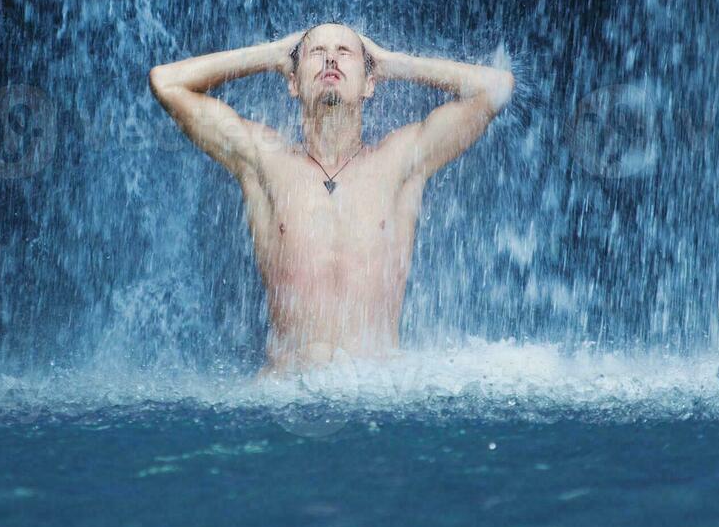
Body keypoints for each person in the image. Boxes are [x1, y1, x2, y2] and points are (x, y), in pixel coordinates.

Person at [149, 23, 513, 375]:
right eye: (316, 52)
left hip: (377, 391)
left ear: (371, 83)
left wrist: (390, 63)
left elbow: (496, 87)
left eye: (345, 52)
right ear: (292, 82)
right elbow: (166, 83)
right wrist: (273, 54)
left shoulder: (401, 160)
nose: (331, 61)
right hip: (287, 393)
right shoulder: (264, 159)